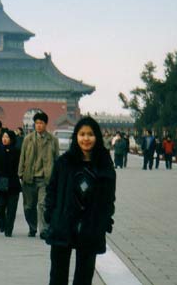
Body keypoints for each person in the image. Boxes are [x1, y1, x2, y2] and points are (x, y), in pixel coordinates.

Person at [44, 117, 116, 285]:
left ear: (96, 137)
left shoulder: (104, 164)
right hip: (63, 223)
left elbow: (109, 198)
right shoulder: (64, 163)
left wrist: (105, 220)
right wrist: (51, 215)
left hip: (91, 225)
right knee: (58, 275)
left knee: (84, 275)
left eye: (90, 134)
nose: (86, 138)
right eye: (82, 134)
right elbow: (52, 190)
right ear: (76, 137)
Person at [18, 111, 59, 238]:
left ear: (46, 124)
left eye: (41, 123)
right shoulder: (28, 139)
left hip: (45, 178)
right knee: (29, 207)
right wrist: (20, 173)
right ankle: (32, 227)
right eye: (36, 123)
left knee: (43, 205)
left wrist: (56, 176)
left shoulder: (52, 140)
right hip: (29, 177)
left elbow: (56, 158)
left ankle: (44, 230)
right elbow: (22, 157)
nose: (38, 125)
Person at [0, 129, 21, 237]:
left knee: (11, 209)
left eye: (7, 137)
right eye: (4, 137)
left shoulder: (17, 151)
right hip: (0, 182)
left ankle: (9, 230)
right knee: (0, 207)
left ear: (12, 139)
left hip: (13, 183)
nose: (5, 139)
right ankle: (2, 223)